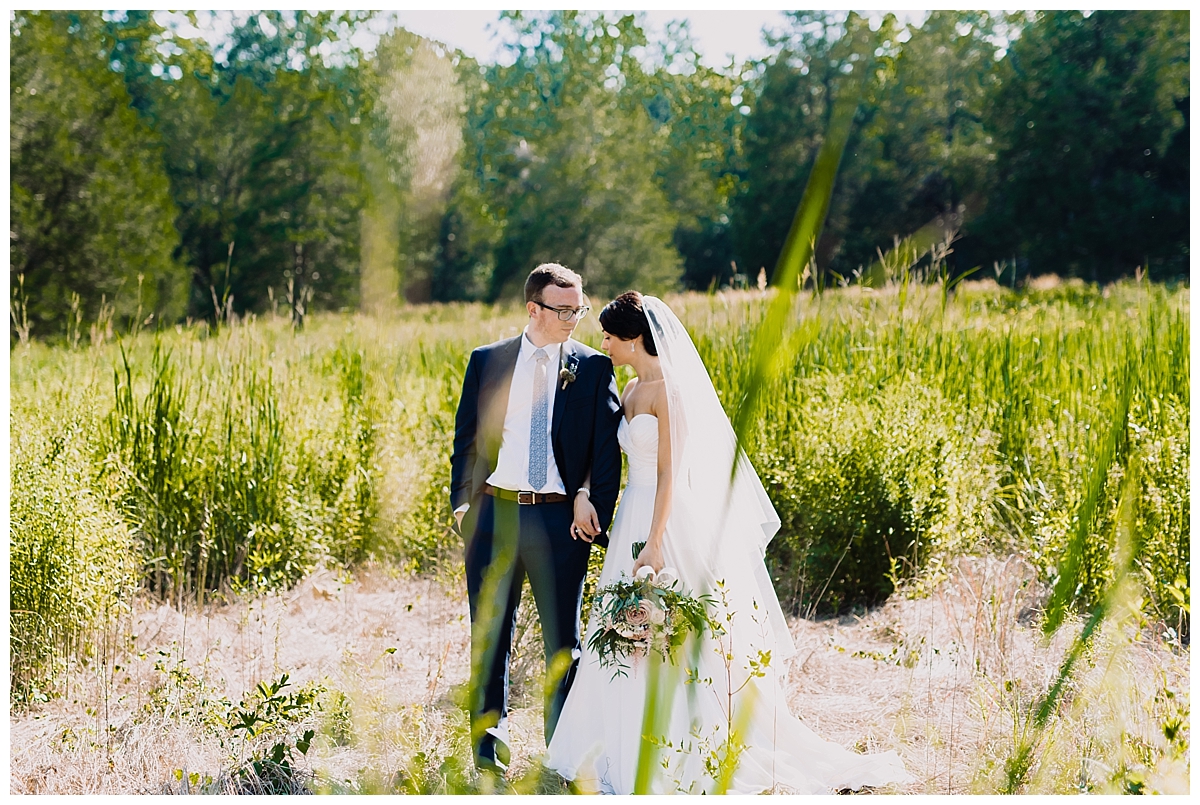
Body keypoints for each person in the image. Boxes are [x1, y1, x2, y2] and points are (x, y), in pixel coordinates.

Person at [544, 291, 915, 794]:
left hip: (665, 519)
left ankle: (687, 738)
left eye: (610, 335)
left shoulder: (671, 393)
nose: (603, 342)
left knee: (681, 629)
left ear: (633, 338)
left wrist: (655, 543)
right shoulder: (629, 390)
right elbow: (607, 453)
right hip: (632, 510)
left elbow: (673, 472)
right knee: (630, 631)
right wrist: (588, 493)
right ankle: (619, 740)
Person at [450, 263, 622, 773]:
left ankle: (559, 753)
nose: (574, 318)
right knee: (490, 634)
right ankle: (488, 750)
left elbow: (605, 449)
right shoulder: (488, 360)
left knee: (561, 642)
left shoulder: (592, 368)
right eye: (563, 309)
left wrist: (591, 498)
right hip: (493, 514)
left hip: (557, 523)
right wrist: (462, 504)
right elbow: (467, 438)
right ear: (533, 308)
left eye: (579, 309)